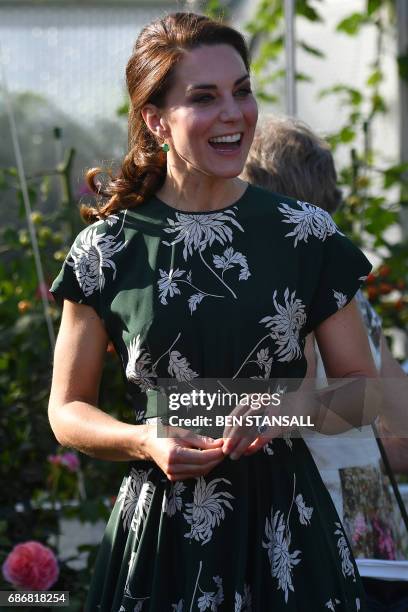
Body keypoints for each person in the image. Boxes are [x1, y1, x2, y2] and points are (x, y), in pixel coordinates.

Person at [48, 12, 379, 611]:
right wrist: (144, 439)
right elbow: (66, 410)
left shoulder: (305, 235)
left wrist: (285, 410)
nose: (235, 113)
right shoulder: (105, 249)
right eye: (205, 97)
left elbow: (368, 392)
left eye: (242, 90)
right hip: (161, 537)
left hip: (286, 528)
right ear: (155, 120)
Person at [241, 115, 408, 609]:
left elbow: (299, 398)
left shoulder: (289, 297)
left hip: (317, 547)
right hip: (383, 548)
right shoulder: (354, 301)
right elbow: (401, 433)